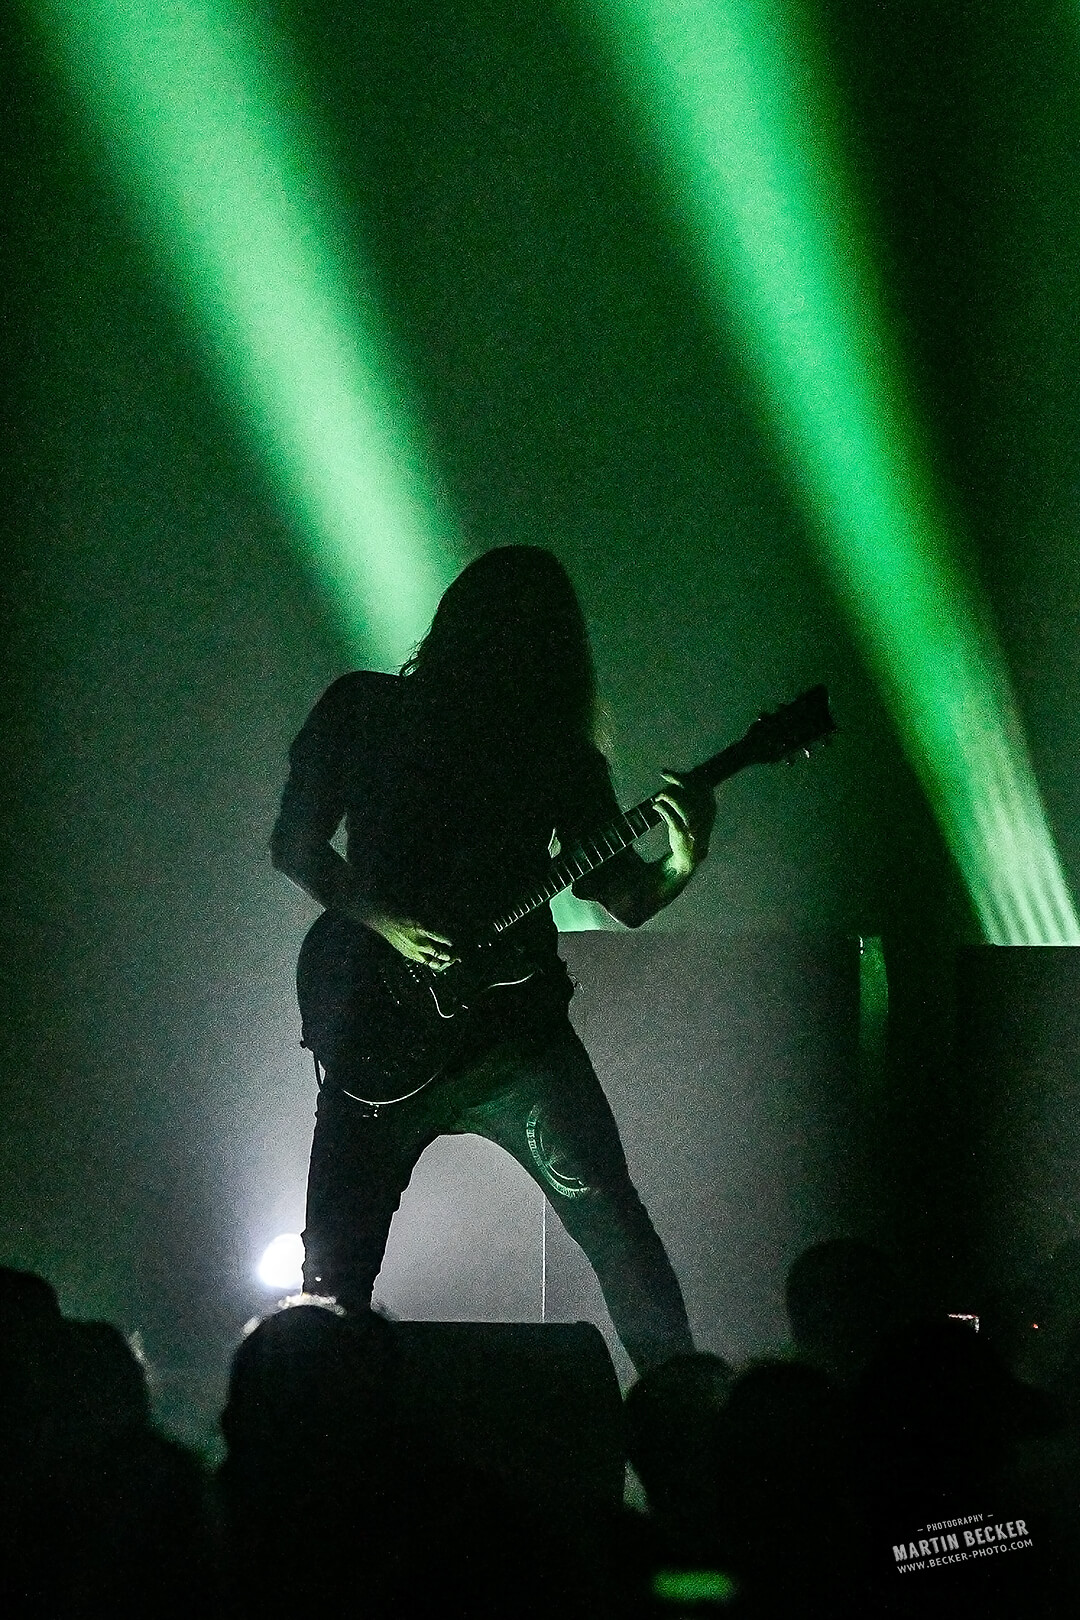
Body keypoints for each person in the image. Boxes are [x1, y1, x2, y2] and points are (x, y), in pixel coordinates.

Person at [271, 546, 715, 1373]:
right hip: (378, 1031)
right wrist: (387, 922)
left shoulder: (558, 756)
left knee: (616, 1229)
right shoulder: (364, 708)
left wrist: (684, 859)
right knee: (332, 1278)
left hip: (511, 1038)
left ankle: (684, 1404)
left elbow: (622, 896)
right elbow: (295, 845)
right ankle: (308, 1421)